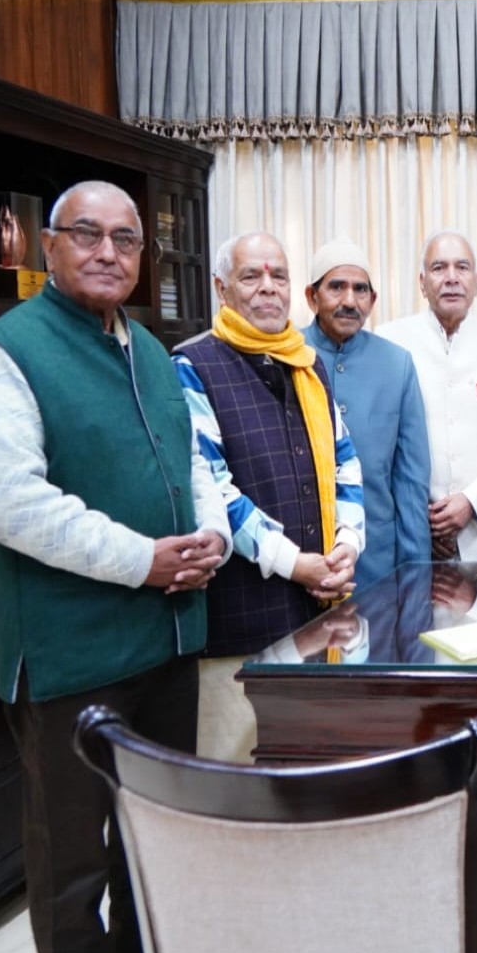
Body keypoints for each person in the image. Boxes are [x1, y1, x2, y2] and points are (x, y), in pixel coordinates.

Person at [0, 180, 229, 953]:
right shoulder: (7, 353)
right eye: (87, 234)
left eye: (126, 238)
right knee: (73, 869)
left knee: (155, 847)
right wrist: (143, 561)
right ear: (49, 247)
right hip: (73, 660)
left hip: (168, 647)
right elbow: (7, 501)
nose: (108, 252)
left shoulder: (150, 348)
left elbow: (191, 466)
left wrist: (212, 535)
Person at [174, 231, 366, 762]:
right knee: (238, 780)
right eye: (250, 276)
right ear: (222, 288)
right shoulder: (191, 367)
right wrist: (294, 563)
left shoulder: (307, 364)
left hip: (316, 617)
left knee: (310, 774)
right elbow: (212, 488)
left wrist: (347, 544)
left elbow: (346, 463)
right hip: (240, 628)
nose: (267, 287)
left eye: (278, 275)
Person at [382, 231, 477, 562]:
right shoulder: (390, 342)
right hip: (408, 531)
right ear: (422, 283)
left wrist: (471, 502)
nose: (451, 278)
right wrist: (417, 515)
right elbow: (380, 445)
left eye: (462, 267)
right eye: (439, 268)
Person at [301, 238, 431, 591]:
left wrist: (416, 579)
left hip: (376, 565)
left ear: (372, 301)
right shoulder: (285, 355)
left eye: (360, 290)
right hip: (299, 562)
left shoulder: (397, 364)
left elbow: (410, 484)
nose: (349, 300)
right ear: (312, 297)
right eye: (336, 287)